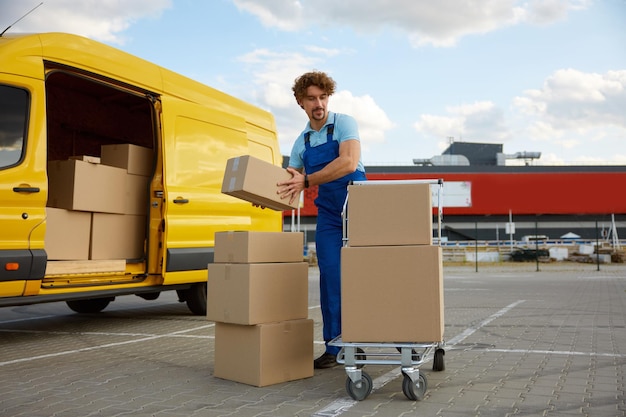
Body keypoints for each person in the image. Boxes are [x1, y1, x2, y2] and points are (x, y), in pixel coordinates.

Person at [277, 71, 367, 369]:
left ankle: (370, 339)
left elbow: (348, 162)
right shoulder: (300, 143)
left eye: (323, 97)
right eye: (312, 99)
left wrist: (306, 181)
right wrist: (264, 198)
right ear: (300, 102)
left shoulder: (344, 123)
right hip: (329, 214)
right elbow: (289, 184)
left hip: (359, 206)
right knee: (330, 277)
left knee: (367, 274)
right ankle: (335, 346)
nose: (319, 104)